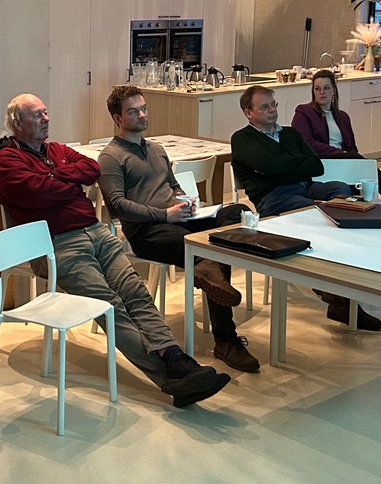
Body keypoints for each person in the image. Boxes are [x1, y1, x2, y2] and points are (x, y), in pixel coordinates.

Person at [0, 93, 230, 408]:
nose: (46, 119)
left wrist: (56, 176)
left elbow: (90, 170)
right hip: (57, 246)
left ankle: (175, 357)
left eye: (46, 112)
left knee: (136, 292)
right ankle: (170, 376)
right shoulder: (7, 160)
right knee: (110, 304)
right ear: (17, 123)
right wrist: (67, 182)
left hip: (97, 234)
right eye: (37, 115)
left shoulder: (57, 150)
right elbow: (37, 192)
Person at [97, 86, 259, 373]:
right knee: (208, 246)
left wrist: (186, 200)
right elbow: (118, 206)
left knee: (236, 211)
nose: (142, 115)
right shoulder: (111, 156)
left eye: (143, 108)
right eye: (133, 112)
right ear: (117, 118)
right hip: (147, 231)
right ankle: (225, 338)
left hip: (178, 219)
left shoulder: (156, 149)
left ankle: (208, 268)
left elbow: (172, 185)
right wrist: (164, 214)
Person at [230, 85, 381, 331]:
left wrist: (278, 166)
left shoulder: (290, 133)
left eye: (274, 105)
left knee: (340, 190)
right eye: (265, 107)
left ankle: (348, 278)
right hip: (273, 197)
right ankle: (339, 299)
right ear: (249, 113)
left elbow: (316, 166)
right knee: (316, 214)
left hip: (307, 187)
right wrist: (288, 164)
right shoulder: (242, 138)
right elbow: (271, 165)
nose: (272, 110)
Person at [290, 69, 381, 199]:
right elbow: (307, 143)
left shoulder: (342, 117)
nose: (321, 92)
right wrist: (341, 153)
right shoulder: (304, 112)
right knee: (359, 162)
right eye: (317, 89)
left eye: (326, 88)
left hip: (343, 162)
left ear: (334, 91)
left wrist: (349, 158)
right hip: (321, 162)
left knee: (365, 167)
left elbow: (351, 146)